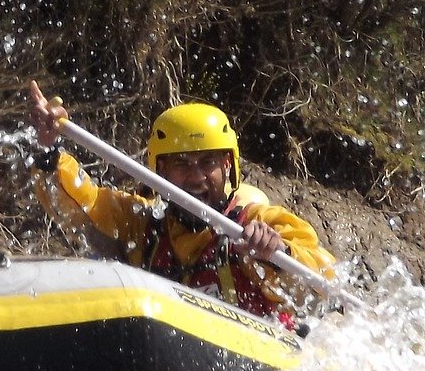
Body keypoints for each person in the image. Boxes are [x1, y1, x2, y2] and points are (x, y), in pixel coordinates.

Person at [25, 81, 334, 328]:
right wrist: (49, 149)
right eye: (181, 164)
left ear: (227, 165)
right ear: (160, 171)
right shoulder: (140, 222)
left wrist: (276, 254)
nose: (196, 176)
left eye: (207, 162)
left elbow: (324, 274)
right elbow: (80, 201)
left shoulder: (259, 221)